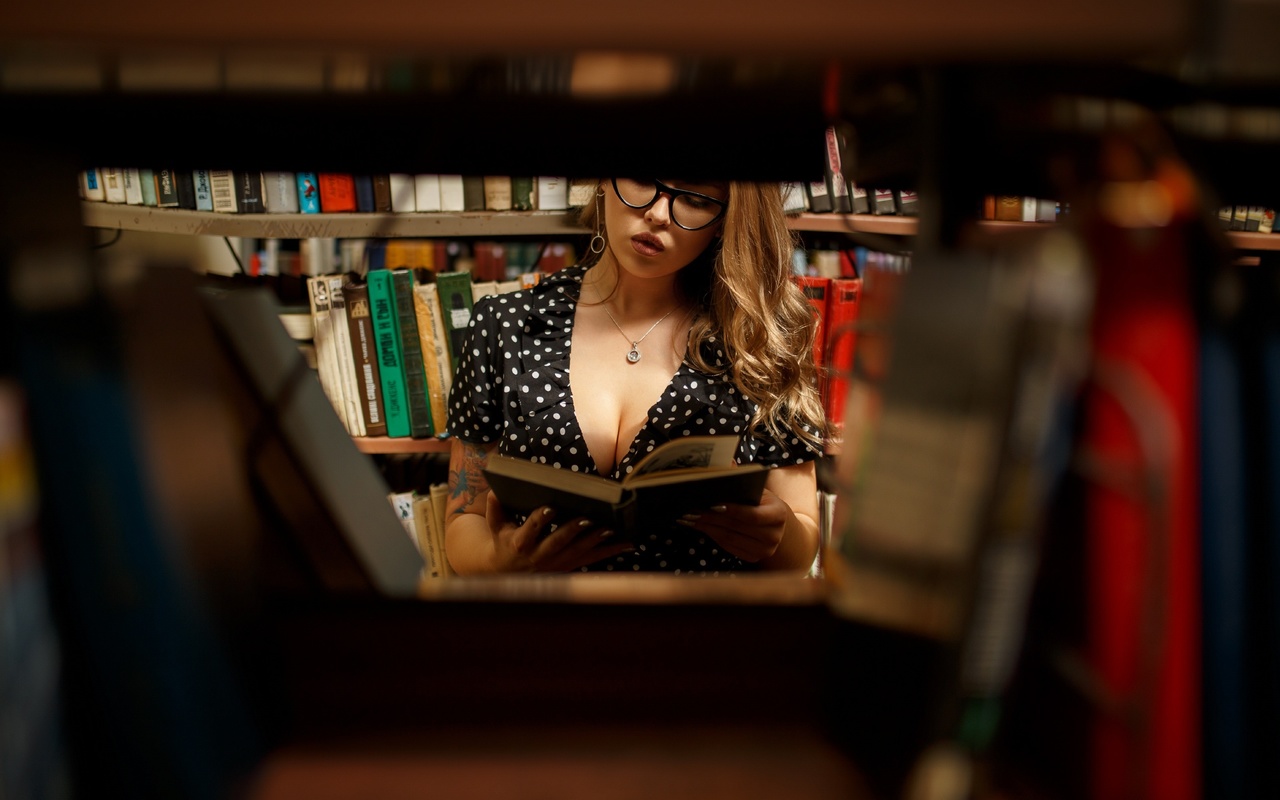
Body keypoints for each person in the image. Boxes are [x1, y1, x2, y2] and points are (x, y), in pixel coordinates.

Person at [443, 178, 828, 575]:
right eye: (644, 180)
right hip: (550, 628)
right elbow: (463, 518)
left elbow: (802, 540)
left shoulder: (759, 338)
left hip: (703, 631)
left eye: (695, 199)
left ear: (726, 218)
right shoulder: (505, 324)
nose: (658, 215)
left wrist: (776, 539)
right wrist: (500, 561)